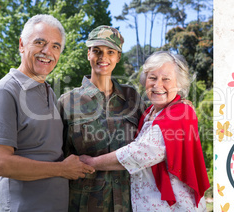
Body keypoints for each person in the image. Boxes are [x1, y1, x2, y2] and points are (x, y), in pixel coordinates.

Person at [0, 14, 94, 212]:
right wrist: (63, 169)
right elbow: (1, 163)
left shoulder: (48, 91)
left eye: (55, 46)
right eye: (40, 42)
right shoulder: (5, 91)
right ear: (22, 45)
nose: (47, 51)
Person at [79, 51, 210, 211]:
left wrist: (92, 163)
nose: (157, 85)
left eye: (166, 79)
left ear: (179, 84)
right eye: (152, 78)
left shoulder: (181, 112)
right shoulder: (149, 112)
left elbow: (141, 153)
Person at [58, 25, 145, 211]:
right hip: (84, 205)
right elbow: (58, 159)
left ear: (118, 57)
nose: (103, 57)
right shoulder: (67, 102)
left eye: (110, 52)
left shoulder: (132, 98)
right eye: (96, 51)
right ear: (88, 54)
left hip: (129, 203)